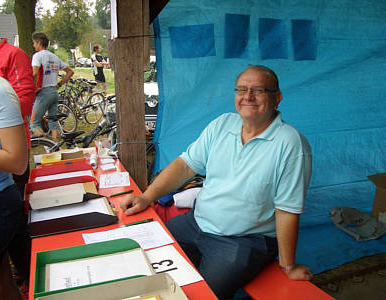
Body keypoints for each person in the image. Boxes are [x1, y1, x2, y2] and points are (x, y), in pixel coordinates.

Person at [120, 65, 313, 299]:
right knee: (146, 263)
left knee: (199, 296)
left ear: (277, 98)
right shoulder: (223, 124)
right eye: (241, 89)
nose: (248, 97)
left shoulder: (290, 144)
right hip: (196, 223)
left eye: (258, 90)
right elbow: (185, 166)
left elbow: (287, 210)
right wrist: (146, 197)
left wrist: (288, 265)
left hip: (242, 241)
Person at [0, 1, 35, 291]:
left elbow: (23, 99)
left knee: (15, 228)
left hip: (9, 154)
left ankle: (31, 275)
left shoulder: (13, 54)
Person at [30, 32, 74, 140]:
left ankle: (45, 145)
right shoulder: (54, 56)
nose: (33, 45)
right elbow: (70, 72)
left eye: (34, 43)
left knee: (33, 122)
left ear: (39, 42)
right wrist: (59, 84)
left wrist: (29, 86)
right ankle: (56, 147)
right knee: (53, 124)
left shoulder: (37, 56)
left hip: (43, 92)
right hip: (54, 92)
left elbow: (34, 73)